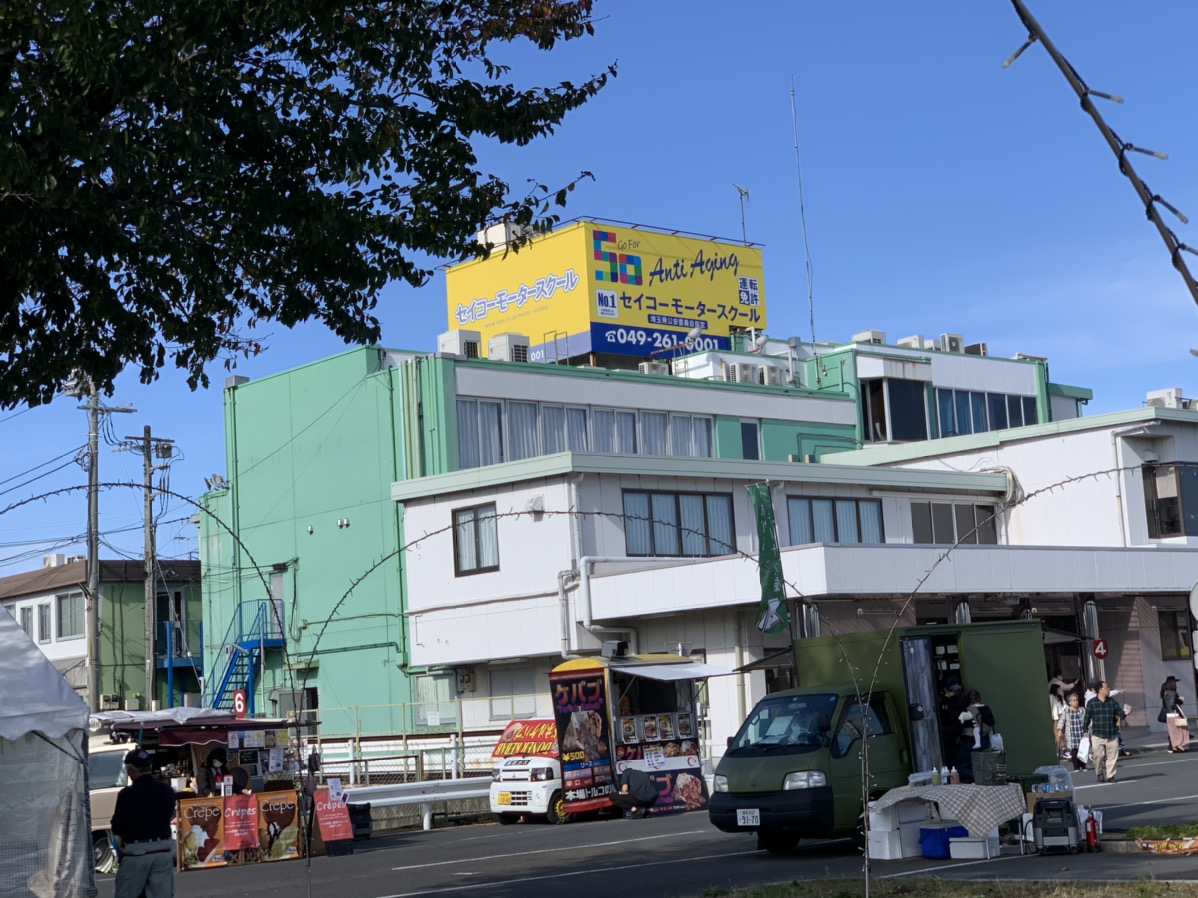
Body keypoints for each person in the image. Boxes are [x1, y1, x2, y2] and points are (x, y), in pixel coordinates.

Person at [110, 748, 176, 898]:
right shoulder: (166, 790)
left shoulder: (127, 794)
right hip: (163, 850)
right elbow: (169, 814)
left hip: (137, 852)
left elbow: (117, 827)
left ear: (131, 770)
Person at [1083, 681, 1126, 783]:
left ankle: (1111, 776)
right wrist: (1085, 730)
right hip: (1098, 734)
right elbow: (1087, 718)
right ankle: (1099, 773)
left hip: (1112, 733)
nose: (1109, 689)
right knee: (1098, 756)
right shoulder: (1092, 703)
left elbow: (1120, 714)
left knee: (1112, 756)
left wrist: (1126, 713)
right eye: (1107, 688)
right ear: (1100, 690)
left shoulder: (1112, 702)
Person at [1057, 692, 1088, 772]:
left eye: (1077, 700)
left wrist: (1088, 730)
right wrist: (1059, 730)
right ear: (1069, 702)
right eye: (1073, 700)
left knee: (1083, 750)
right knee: (1074, 751)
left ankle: (1083, 765)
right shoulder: (1066, 711)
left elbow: (1086, 721)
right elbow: (1061, 721)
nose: (1076, 702)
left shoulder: (1081, 710)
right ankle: (1076, 766)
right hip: (1072, 734)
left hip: (1081, 733)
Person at [1161, 676, 1190, 753]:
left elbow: (1165, 704)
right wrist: (1180, 700)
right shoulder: (1173, 693)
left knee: (1173, 731)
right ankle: (1180, 745)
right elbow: (1173, 704)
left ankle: (1175, 747)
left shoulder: (1165, 694)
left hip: (1168, 715)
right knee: (1181, 730)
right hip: (1175, 715)